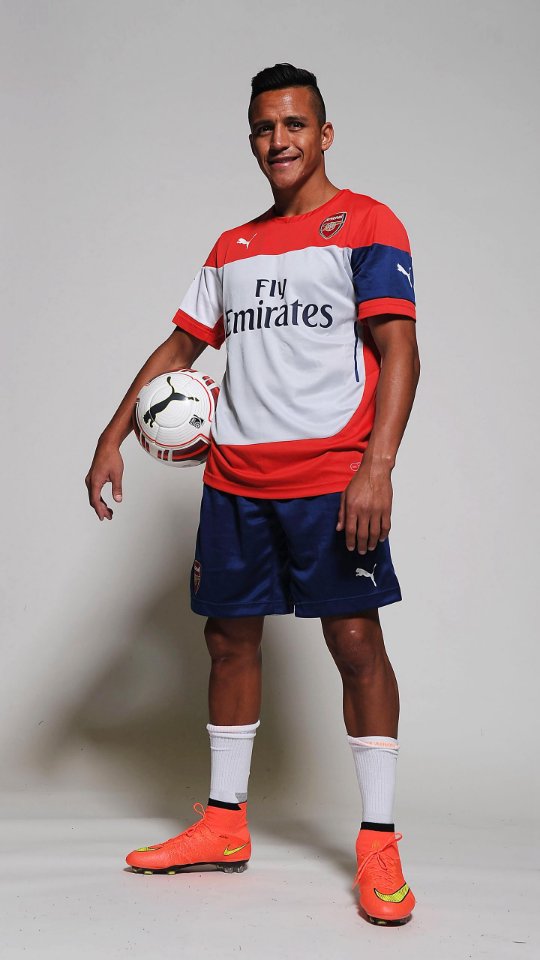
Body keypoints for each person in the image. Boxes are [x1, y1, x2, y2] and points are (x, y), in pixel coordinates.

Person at [85, 63, 421, 926]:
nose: (280, 140)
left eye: (295, 124)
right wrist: (111, 436)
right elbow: (180, 350)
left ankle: (379, 839)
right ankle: (224, 824)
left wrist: (377, 467)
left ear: (324, 133)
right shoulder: (231, 246)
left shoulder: (369, 224)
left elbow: (401, 350)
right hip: (236, 481)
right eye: (266, 128)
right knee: (228, 642)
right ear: (252, 140)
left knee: (355, 641)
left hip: (330, 480)